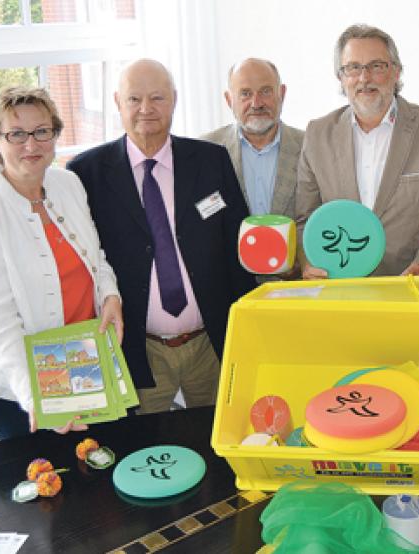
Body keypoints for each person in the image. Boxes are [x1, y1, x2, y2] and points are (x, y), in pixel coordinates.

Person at [68, 59, 255, 414]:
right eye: (134, 98)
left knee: (221, 436)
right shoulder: (85, 173)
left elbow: (238, 249)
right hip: (138, 350)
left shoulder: (211, 160)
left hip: (210, 345)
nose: (146, 109)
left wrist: (246, 335)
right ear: (117, 102)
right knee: (148, 452)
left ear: (174, 100)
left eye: (157, 97)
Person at [0, 86, 123, 440]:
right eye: (16, 134)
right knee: (43, 477)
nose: (32, 145)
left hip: (79, 359)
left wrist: (110, 295)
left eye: (42, 131)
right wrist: (38, 399)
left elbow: (97, 257)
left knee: (94, 461)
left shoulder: (68, 183)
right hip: (16, 382)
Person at [295, 24, 419, 278]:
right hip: (340, 291)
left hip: (411, 290)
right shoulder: (318, 134)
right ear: (340, 77)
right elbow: (305, 220)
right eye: (353, 68)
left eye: (376, 66)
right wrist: (309, 263)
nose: (364, 78)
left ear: (395, 71)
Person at [201, 58, 304, 219]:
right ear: (229, 100)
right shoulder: (205, 150)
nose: (256, 103)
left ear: (282, 94)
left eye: (265, 91)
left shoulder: (310, 147)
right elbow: (202, 212)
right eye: (245, 93)